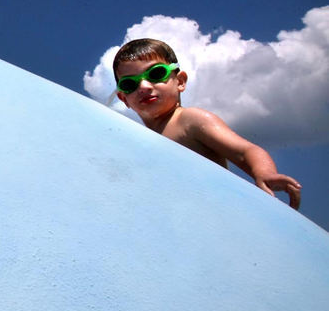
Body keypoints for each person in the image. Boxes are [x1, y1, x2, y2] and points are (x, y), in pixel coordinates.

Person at [113, 38, 301, 209]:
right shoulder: (141, 139)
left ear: (180, 81)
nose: (144, 87)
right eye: (130, 84)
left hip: (215, 213)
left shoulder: (190, 121)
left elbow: (245, 151)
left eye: (156, 74)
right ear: (124, 99)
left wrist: (264, 173)